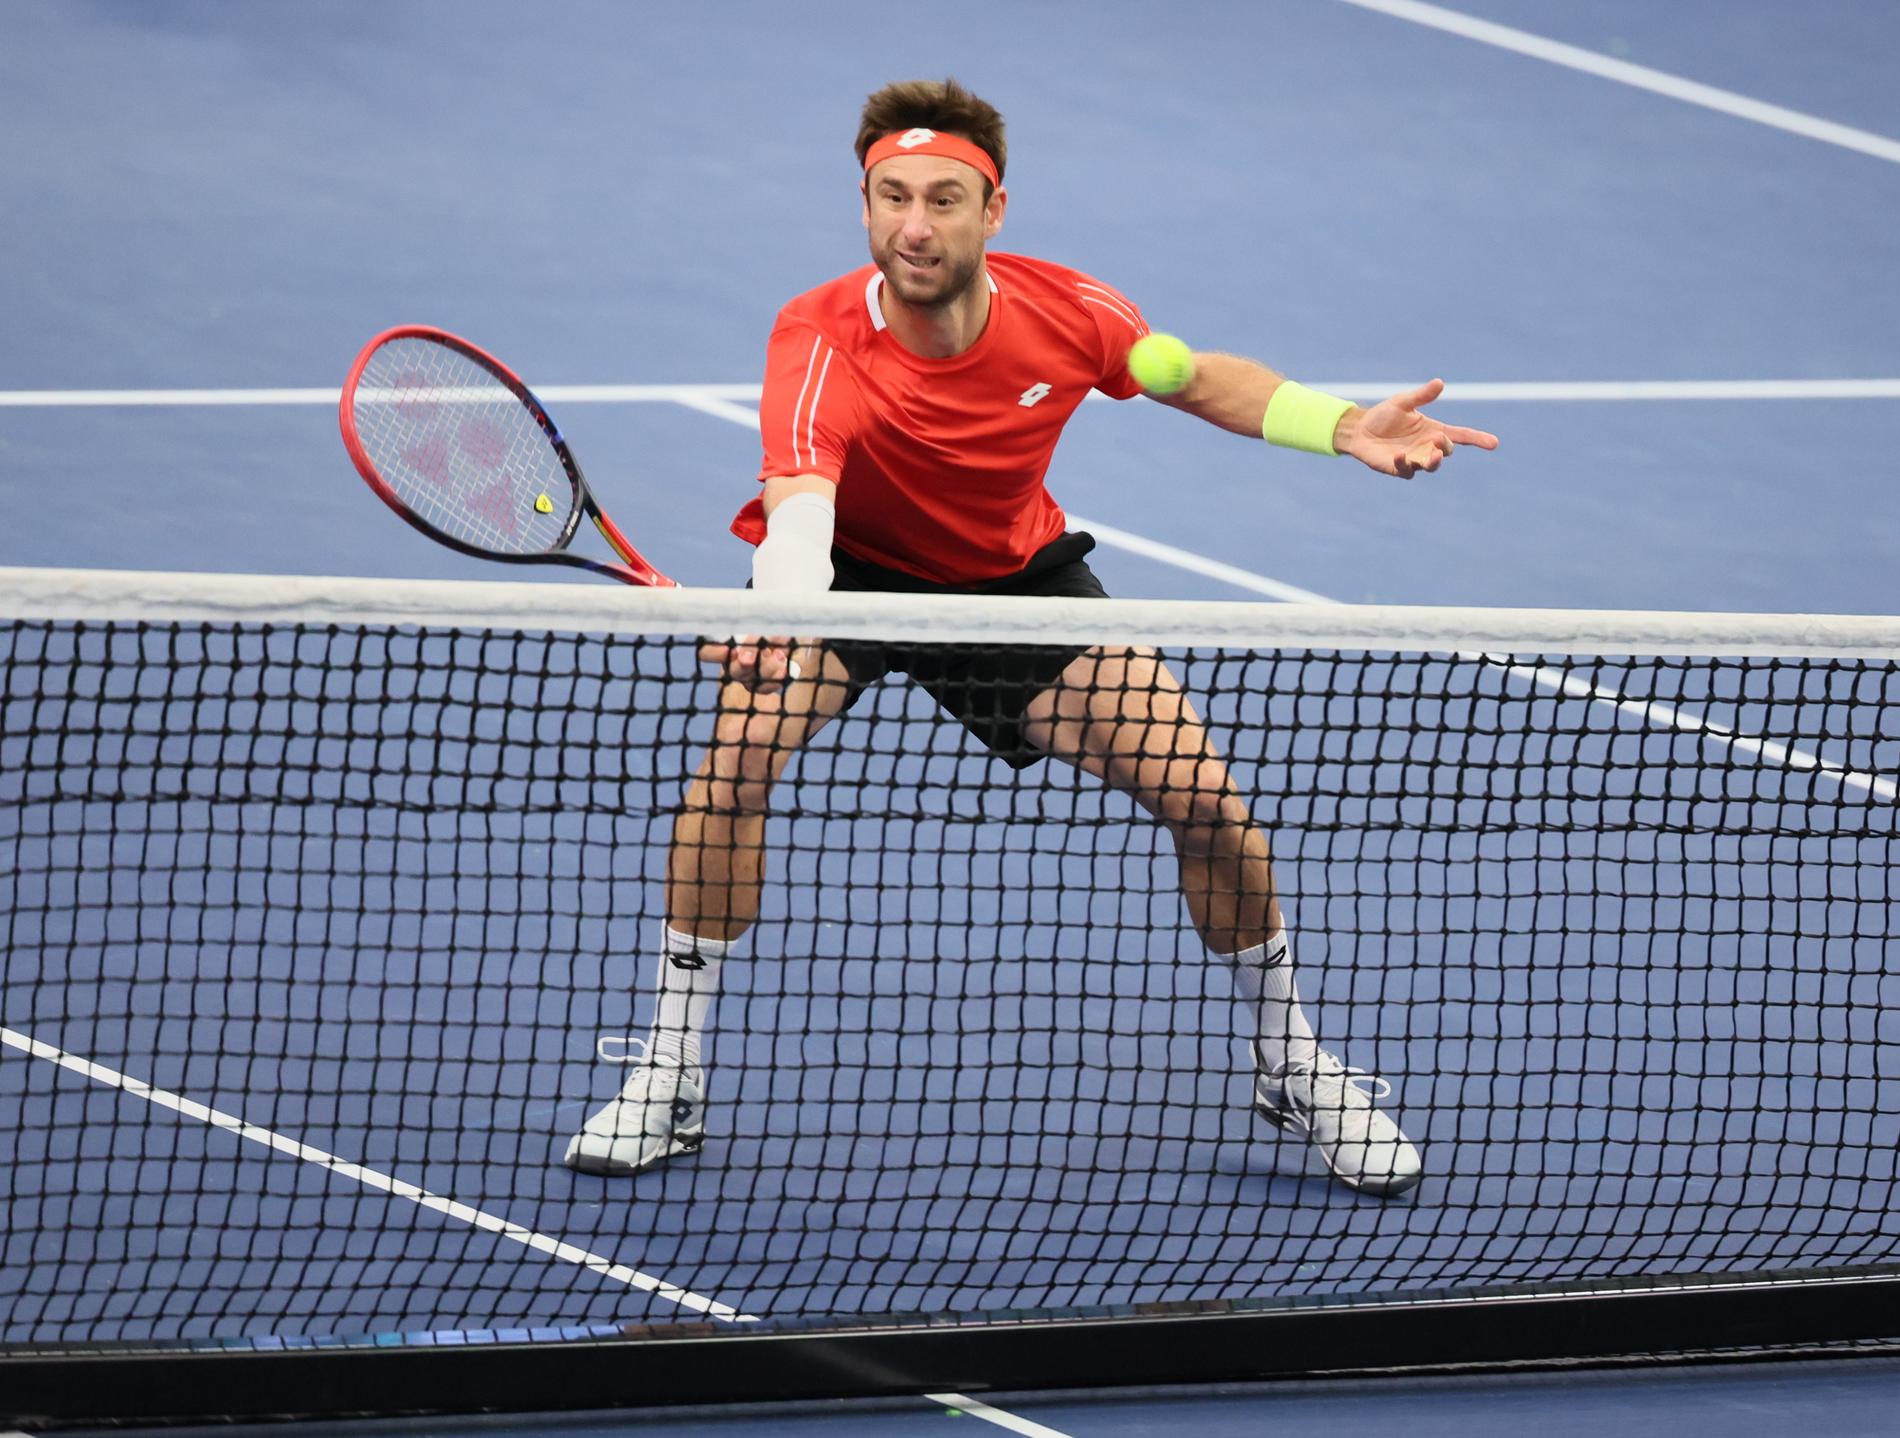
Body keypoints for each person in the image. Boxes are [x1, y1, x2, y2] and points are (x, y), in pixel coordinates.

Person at [565, 79, 1498, 1197]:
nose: (915, 224)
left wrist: (1343, 425)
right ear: (864, 205)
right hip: (847, 580)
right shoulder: (816, 337)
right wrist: (781, 615)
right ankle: (670, 1069)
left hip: (1012, 583)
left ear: (992, 210)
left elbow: (1198, 382)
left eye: (944, 199)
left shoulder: (1070, 310)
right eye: (891, 196)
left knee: (1208, 804)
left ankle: (1291, 1061)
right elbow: (803, 498)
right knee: (730, 775)